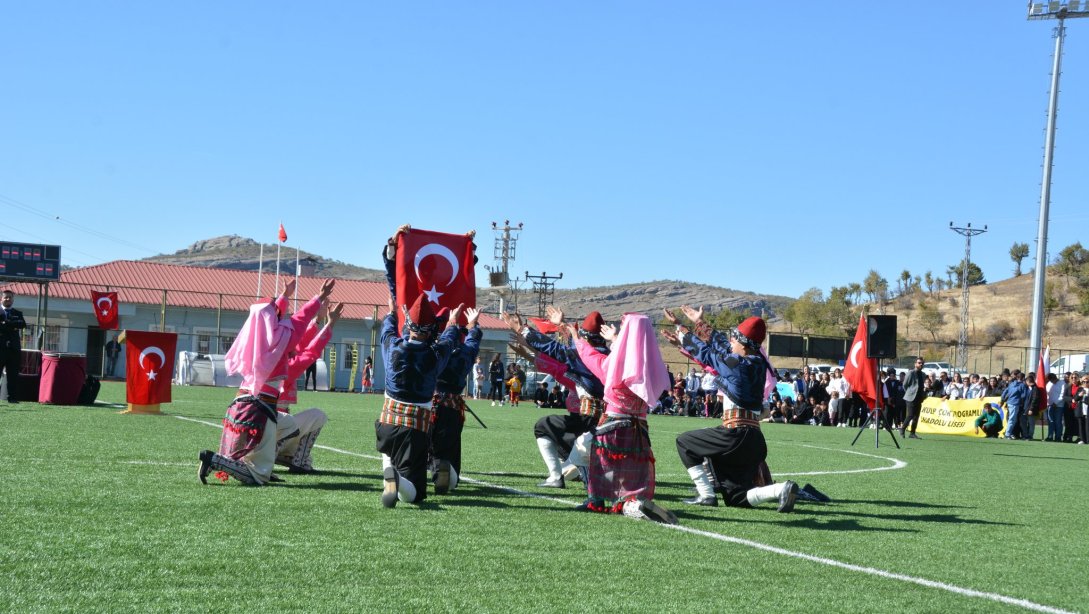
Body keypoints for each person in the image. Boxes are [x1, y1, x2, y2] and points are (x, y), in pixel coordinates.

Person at [198, 279, 332, 485]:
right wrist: (320, 299)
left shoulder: (253, 343)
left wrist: (284, 297)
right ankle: (213, 459)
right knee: (258, 476)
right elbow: (301, 322)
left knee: (288, 424)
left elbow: (282, 318)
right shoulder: (279, 342)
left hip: (240, 406)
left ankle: (262, 455)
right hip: (260, 410)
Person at [666, 308, 799, 513]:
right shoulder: (757, 364)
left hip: (735, 435)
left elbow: (708, 353)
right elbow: (720, 346)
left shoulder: (737, 365)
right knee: (736, 498)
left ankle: (706, 494)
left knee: (684, 442)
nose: (731, 343)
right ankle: (781, 489)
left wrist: (682, 329)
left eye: (734, 340)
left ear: (743, 345)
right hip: (754, 441)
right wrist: (699, 322)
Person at [571, 312, 676, 523]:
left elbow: (598, 363)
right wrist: (616, 339)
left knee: (602, 461)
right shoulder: (652, 362)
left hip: (614, 421)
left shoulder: (618, 360)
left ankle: (598, 501)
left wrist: (576, 337)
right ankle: (631, 502)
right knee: (632, 468)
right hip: (639, 424)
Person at [503, 307, 609, 489]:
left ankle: (560, 475)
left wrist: (525, 332)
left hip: (588, 421)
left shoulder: (583, 359)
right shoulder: (611, 356)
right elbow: (561, 356)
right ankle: (576, 470)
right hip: (611, 420)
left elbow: (558, 354)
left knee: (544, 427)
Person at [274, 299, 343, 474]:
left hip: (258, 434)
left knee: (286, 422)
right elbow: (309, 352)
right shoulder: (284, 368)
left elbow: (300, 344)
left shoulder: (269, 358)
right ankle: (294, 459)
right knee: (318, 416)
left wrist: (317, 321)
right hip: (271, 434)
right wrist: (330, 324)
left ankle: (280, 454)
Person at [430, 306, 482, 494]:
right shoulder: (466, 354)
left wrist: (451, 323)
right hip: (454, 406)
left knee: (432, 443)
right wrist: (473, 324)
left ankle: (437, 472)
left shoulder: (438, 351)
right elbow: (473, 341)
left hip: (433, 404)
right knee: (452, 443)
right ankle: (452, 476)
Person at [0, 289, 26, 403]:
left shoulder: (17, 313)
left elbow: (22, 324)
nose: (8, 299)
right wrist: (12, 326)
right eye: (6, 297)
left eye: (10, 297)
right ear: (1, 298)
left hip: (14, 349)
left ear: (13, 299)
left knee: (13, 375)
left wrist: (7, 324)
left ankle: (12, 398)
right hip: (0, 349)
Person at [1000, 370, 1029, 440]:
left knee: (1012, 419)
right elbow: (1024, 395)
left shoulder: (1012, 384)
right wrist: (1020, 400)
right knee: (1012, 419)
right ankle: (1007, 434)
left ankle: (1009, 433)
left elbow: (1005, 391)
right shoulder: (1022, 385)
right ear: (1023, 378)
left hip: (1009, 402)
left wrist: (1003, 399)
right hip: (1015, 403)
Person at [901, 357, 925, 439]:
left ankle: (912, 433)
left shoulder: (923, 374)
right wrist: (909, 393)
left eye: (922, 363)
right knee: (910, 415)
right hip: (910, 397)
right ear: (915, 364)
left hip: (919, 398)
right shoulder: (911, 373)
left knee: (916, 416)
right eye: (919, 363)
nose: (921, 364)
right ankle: (902, 429)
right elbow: (904, 385)